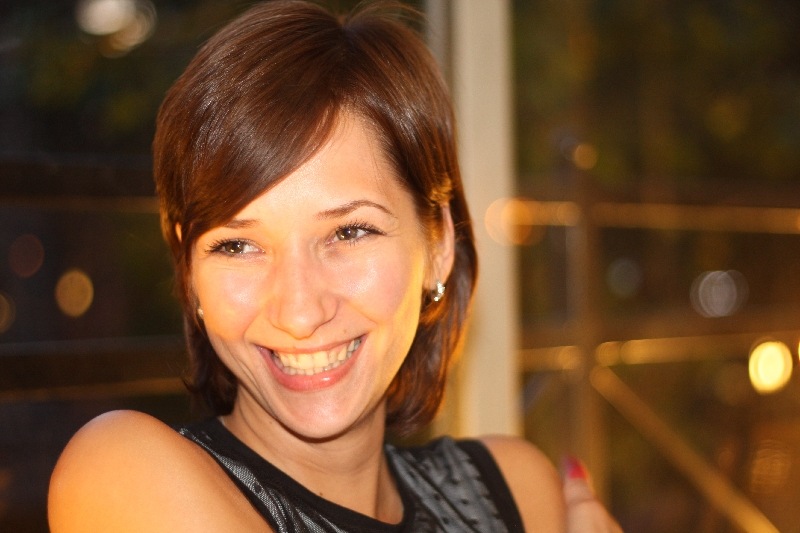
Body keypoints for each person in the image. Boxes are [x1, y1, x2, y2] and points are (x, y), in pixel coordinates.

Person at [48, 1, 621, 531]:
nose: (300, 312)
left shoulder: (511, 489)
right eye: (238, 245)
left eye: (349, 232)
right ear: (188, 268)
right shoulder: (122, 476)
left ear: (438, 243)